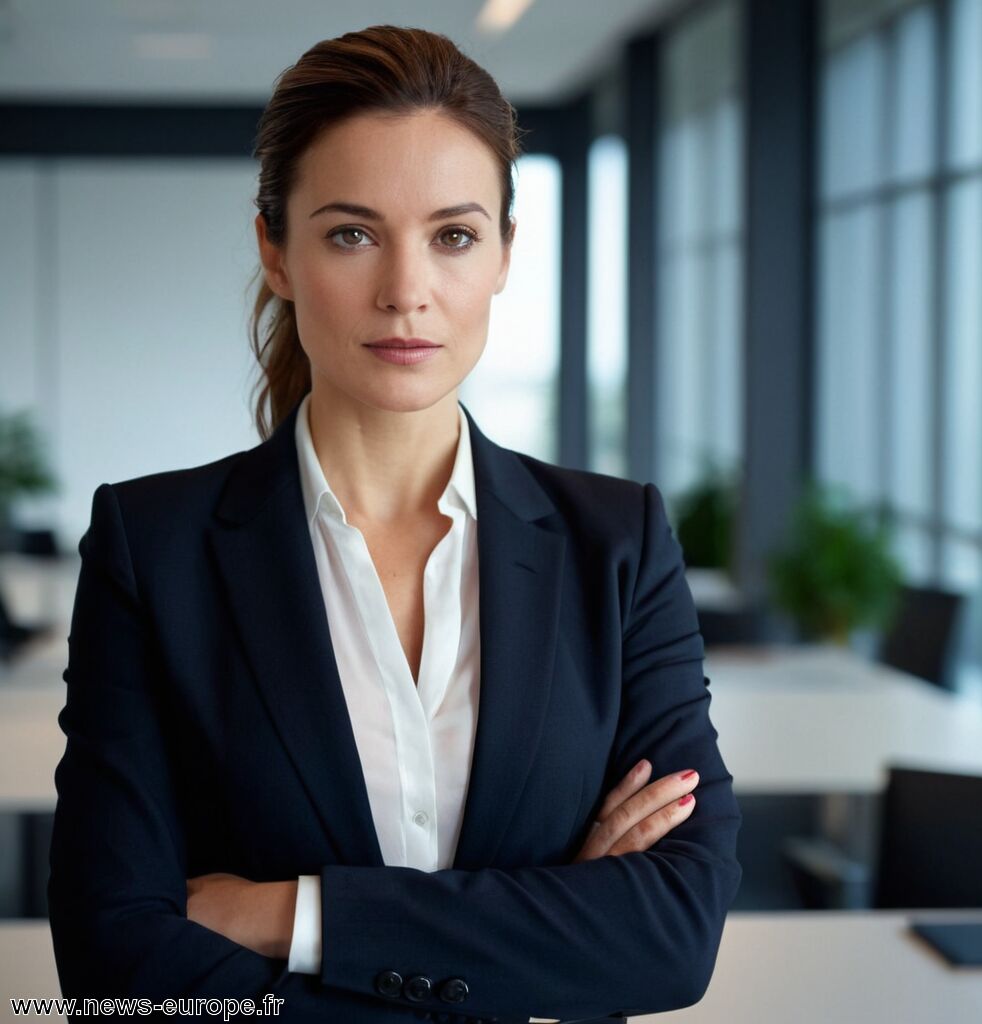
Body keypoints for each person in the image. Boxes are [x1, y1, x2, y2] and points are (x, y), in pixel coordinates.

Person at [47, 24, 742, 1024]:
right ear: (274, 251)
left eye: (453, 235)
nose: (406, 291)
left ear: (505, 253)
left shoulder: (616, 544)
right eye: (351, 233)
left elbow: (672, 933)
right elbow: (116, 969)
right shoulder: (154, 549)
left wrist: (294, 915)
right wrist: (542, 939)